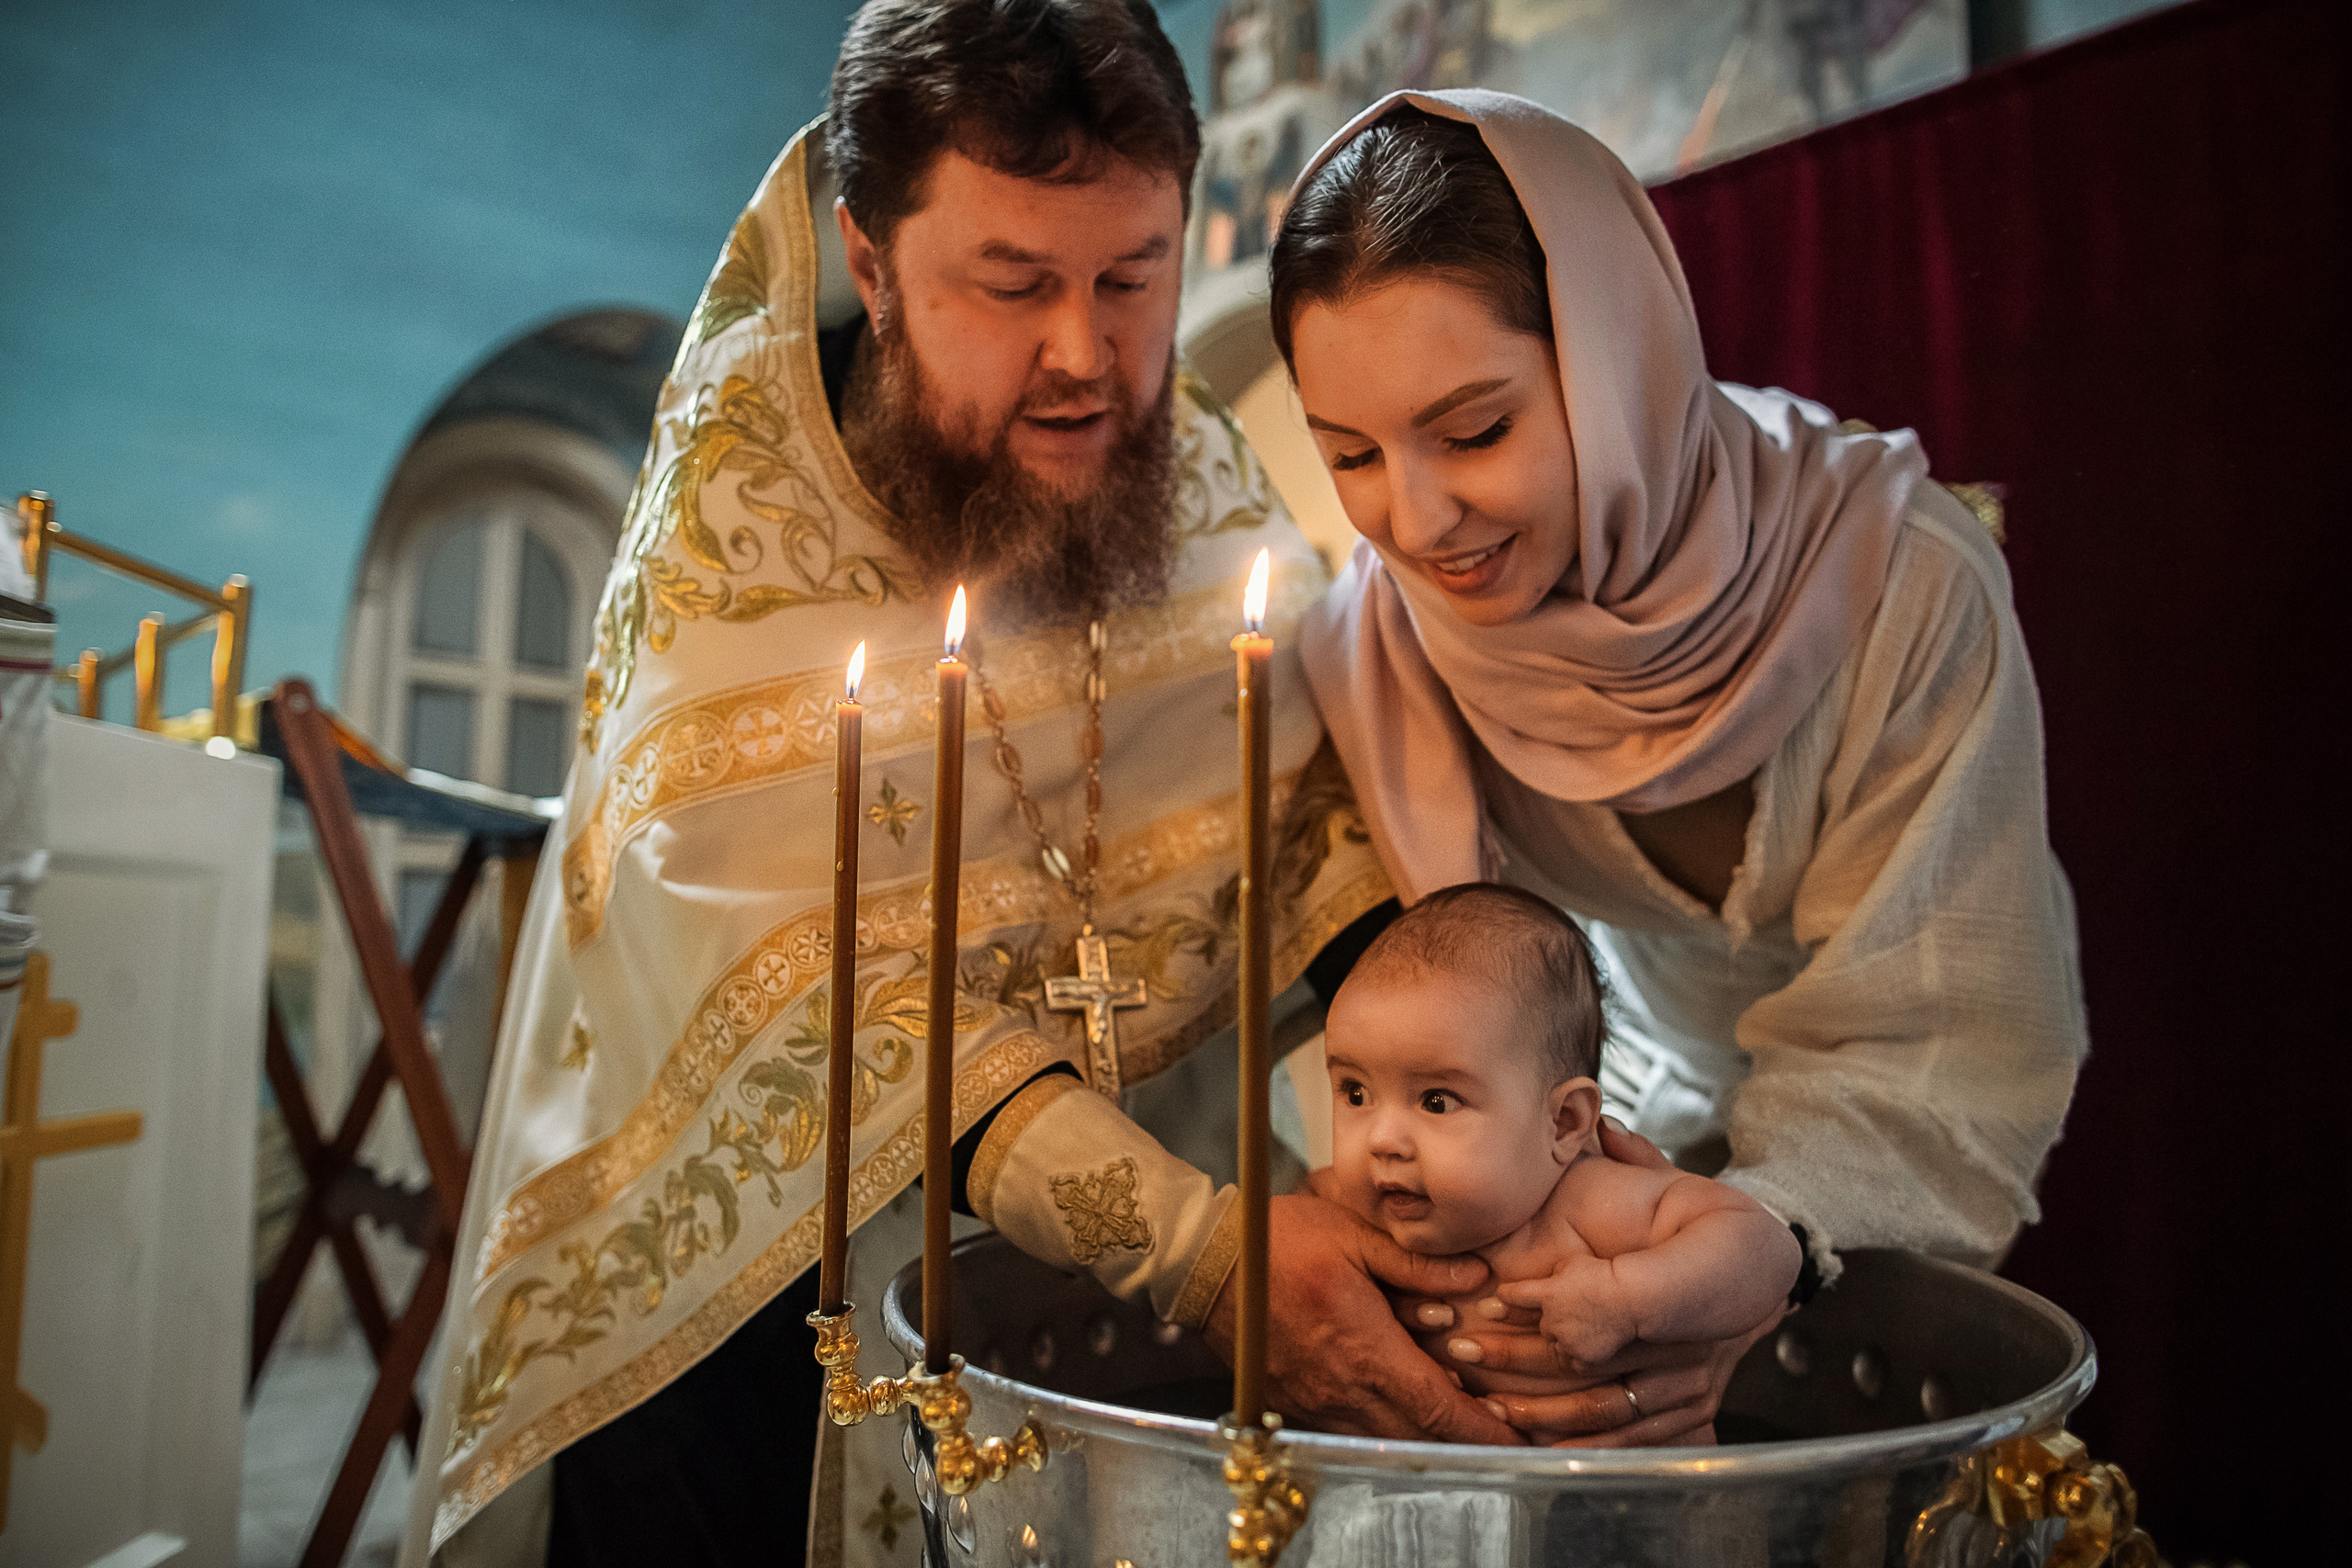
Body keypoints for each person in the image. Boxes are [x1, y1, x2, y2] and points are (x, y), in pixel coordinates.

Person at [402, 12, 1526, 1567]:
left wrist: (1488, 1098)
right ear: (871, 260)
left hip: (1119, 1350)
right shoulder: (735, 525)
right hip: (763, 1323)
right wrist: (1202, 1253)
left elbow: (1318, 830)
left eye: (1134, 276)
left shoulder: (1186, 471)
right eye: (1013, 286)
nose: (1086, 355)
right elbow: (799, 985)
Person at [1273, 91, 2086, 1447]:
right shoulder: (1381, 648)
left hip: (1887, 1172)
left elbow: (1937, 1025)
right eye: (1350, 453)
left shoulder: (1899, 585)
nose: (1413, 522)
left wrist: (1756, 1233)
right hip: (1592, 1168)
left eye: (1473, 431)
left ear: (1617, 358)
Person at [1322, 882, 1800, 1443]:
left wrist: (1629, 1297)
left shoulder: (1588, 1204)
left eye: (1436, 1100)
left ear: (1565, 1123)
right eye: (1355, 1093)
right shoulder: (1345, 1210)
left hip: (1641, 1505)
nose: (1382, 1140)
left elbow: (1767, 1250)